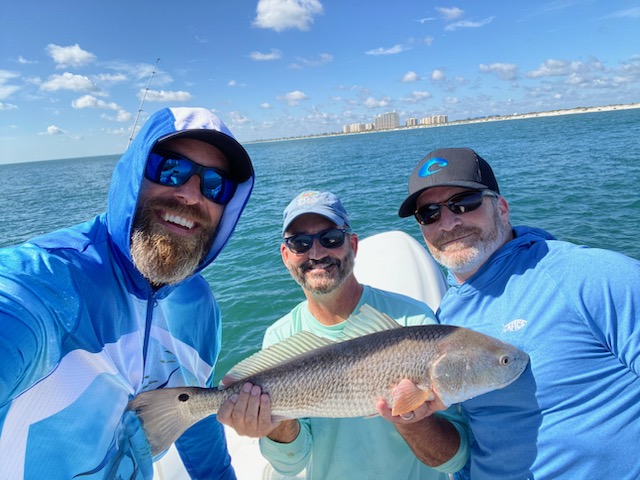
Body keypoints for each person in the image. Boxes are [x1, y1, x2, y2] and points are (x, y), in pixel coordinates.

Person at [0, 107, 254, 479]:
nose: (189, 194)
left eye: (215, 185)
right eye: (170, 169)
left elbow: (191, 415)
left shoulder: (199, 306)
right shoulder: (45, 284)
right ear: (133, 172)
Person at [398, 147, 640, 479]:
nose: (449, 223)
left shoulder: (587, 276)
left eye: (464, 203)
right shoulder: (443, 316)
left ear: (502, 207)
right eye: (429, 214)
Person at [217, 190, 469, 479]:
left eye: (331, 238)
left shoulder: (413, 320)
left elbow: (454, 460)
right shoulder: (280, 336)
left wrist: (411, 420)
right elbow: (290, 465)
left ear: (353, 245)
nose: (317, 253)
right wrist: (274, 421)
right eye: (300, 243)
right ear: (286, 256)